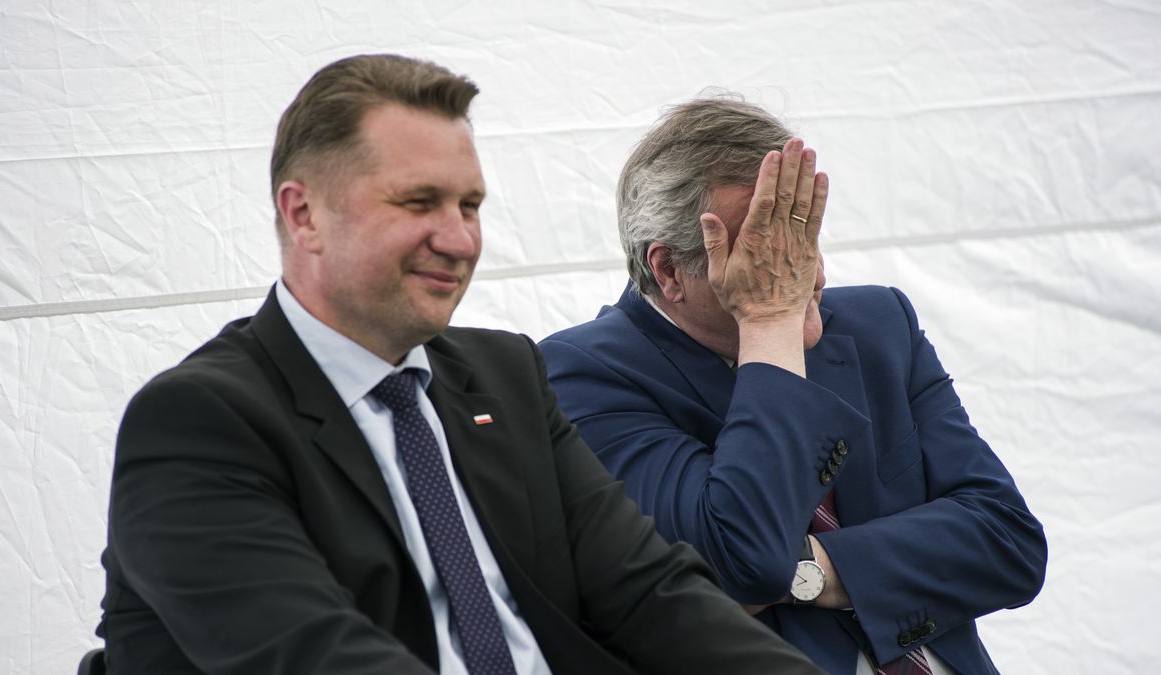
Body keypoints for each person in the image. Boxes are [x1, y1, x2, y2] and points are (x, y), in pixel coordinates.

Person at [96, 57, 823, 675]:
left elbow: (652, 593)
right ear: (304, 214)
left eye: (470, 205)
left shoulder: (502, 375)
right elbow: (316, 654)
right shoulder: (198, 423)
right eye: (420, 202)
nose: (458, 237)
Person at [539, 97, 1048, 674]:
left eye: (801, 233)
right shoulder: (577, 373)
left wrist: (809, 570)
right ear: (669, 271)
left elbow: (1010, 543)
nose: (808, 272)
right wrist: (770, 327)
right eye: (763, 247)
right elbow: (742, 560)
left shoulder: (878, 324)